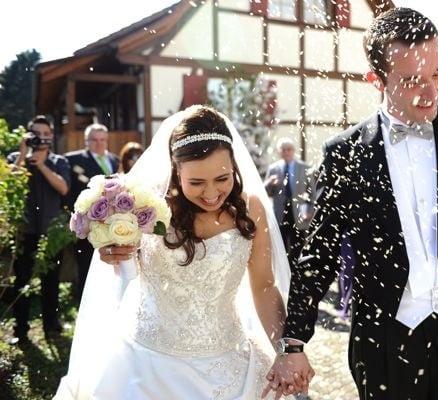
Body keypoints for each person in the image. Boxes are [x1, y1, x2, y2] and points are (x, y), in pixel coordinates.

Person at [264, 8, 438, 400]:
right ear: (376, 80)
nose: (431, 91)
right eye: (413, 80)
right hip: (383, 343)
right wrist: (294, 342)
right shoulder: (345, 154)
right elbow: (319, 253)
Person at [54, 106, 294, 399]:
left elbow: (265, 287)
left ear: (234, 166)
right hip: (145, 365)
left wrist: (284, 350)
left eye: (222, 178)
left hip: (231, 363)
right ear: (175, 169)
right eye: (196, 182)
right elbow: (122, 263)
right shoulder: (142, 205)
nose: (211, 193)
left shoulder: (250, 207)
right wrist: (113, 251)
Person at [7, 115, 71, 343]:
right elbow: (9, 186)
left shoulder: (59, 161)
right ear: (29, 135)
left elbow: (63, 188)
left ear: (51, 135)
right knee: (21, 281)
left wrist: (42, 165)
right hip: (24, 231)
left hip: (51, 234)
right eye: (37, 134)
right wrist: (24, 156)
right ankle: (20, 330)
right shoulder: (16, 158)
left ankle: (51, 326)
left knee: (51, 281)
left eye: (46, 134)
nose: (42, 139)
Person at [65, 124, 119, 300]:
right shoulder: (73, 160)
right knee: (86, 267)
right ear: (87, 141)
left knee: (112, 268)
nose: (99, 143)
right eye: (94, 140)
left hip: (115, 225)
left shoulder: (115, 160)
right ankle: (84, 303)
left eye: (102, 139)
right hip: (89, 225)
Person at [264, 138, 313, 267]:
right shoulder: (273, 168)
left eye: (289, 149)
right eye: (283, 149)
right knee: (281, 246)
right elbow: (265, 192)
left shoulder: (304, 167)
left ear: (293, 151)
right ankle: (284, 273)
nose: (286, 152)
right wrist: (270, 183)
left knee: (298, 245)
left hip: (299, 212)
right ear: (279, 151)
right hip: (280, 213)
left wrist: (309, 211)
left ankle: (297, 272)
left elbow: (312, 192)